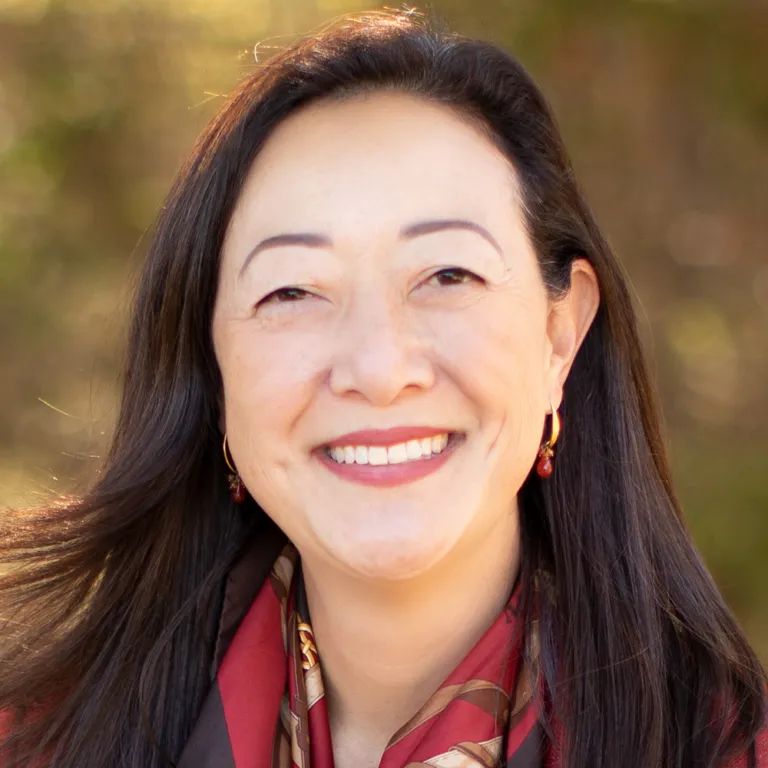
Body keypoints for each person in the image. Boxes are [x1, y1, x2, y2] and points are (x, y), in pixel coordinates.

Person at [1, 8, 765, 768]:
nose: (377, 368)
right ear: (211, 366)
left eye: (447, 275)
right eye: (293, 292)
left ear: (559, 336)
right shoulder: (41, 744)